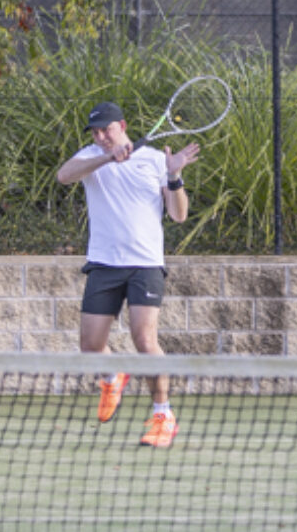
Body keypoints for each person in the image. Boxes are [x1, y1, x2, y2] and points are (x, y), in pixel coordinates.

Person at [56, 100, 200, 449]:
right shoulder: (91, 156)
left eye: (106, 130)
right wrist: (108, 157)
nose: (101, 136)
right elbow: (64, 176)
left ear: (121, 126)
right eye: (95, 132)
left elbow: (178, 215)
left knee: (144, 339)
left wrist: (174, 175)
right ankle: (112, 376)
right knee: (91, 345)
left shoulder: (154, 160)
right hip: (103, 264)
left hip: (145, 264)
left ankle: (163, 416)